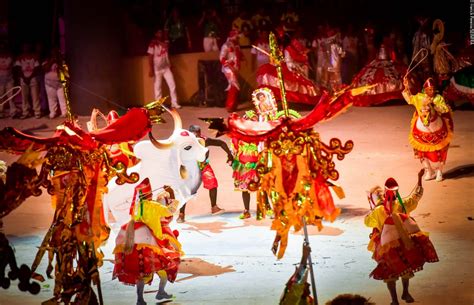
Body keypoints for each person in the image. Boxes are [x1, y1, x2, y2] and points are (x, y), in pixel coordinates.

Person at [364, 170, 439, 305]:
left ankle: (395, 300)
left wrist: (370, 213)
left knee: (389, 273)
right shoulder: (402, 204)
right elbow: (417, 196)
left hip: (386, 246)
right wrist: (419, 178)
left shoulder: (377, 211)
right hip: (403, 242)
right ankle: (405, 293)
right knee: (406, 266)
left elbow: (367, 222)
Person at [113, 181, 182, 305]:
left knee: (141, 273)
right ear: (150, 195)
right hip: (155, 241)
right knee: (165, 268)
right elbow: (169, 212)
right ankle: (160, 292)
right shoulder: (154, 206)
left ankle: (140, 299)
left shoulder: (136, 206)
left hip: (139, 244)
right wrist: (173, 195)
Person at [176, 124, 233, 223]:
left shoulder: (204, 140)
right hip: (190, 168)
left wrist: (229, 154)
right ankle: (181, 214)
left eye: (198, 135)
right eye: (194, 135)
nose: (197, 138)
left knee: (212, 182)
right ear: (189, 135)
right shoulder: (184, 143)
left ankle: (214, 207)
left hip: (203, 167)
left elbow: (221, 143)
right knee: (186, 190)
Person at [402, 77, 453, 181]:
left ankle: (439, 171)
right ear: (424, 90)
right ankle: (428, 170)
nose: (432, 91)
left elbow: (444, 109)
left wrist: (434, 105)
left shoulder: (438, 98)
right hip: (422, 126)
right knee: (420, 150)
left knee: (441, 150)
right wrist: (406, 86)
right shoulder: (419, 97)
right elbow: (409, 98)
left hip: (436, 126)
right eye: (429, 89)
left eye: (433, 89)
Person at [230, 111, 259, 219]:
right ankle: (246, 211)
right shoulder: (238, 136)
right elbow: (234, 149)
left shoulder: (260, 135)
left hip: (257, 165)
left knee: (262, 188)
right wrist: (232, 159)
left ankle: (268, 208)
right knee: (245, 189)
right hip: (243, 166)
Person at [147, 29, 181, 109]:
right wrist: (151, 68)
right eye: (158, 33)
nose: (160, 34)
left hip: (166, 68)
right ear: (155, 34)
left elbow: (167, 51)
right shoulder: (152, 44)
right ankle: (159, 105)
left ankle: (174, 103)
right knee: (157, 87)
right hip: (157, 69)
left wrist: (170, 65)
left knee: (172, 85)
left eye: (161, 32)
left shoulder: (165, 42)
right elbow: (150, 57)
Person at [14, 43, 41, 119]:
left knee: (35, 96)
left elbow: (36, 68)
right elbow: (18, 68)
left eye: (27, 47)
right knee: (24, 97)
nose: (26, 48)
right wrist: (24, 77)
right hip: (23, 80)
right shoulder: (20, 57)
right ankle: (25, 112)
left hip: (33, 79)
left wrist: (29, 77)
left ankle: (37, 112)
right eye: (24, 47)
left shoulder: (34, 57)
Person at [219, 30, 242, 112]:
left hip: (235, 68)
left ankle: (233, 105)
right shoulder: (226, 45)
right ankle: (230, 105)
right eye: (237, 36)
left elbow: (238, 55)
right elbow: (221, 58)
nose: (238, 38)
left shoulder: (236, 45)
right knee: (233, 84)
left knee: (235, 85)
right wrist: (230, 66)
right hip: (228, 68)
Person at [42, 48, 67, 119]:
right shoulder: (47, 60)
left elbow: (64, 70)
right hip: (49, 83)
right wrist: (52, 61)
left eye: (56, 52)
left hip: (59, 83)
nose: (54, 53)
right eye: (53, 52)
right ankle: (53, 113)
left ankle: (64, 113)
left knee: (62, 98)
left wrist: (58, 61)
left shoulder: (61, 60)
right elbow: (45, 69)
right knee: (51, 99)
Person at [0, 45, 17, 118]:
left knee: (11, 96)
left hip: (9, 80)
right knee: (1, 97)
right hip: (0, 81)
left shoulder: (10, 58)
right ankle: (1, 112)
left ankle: (13, 112)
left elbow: (8, 66)